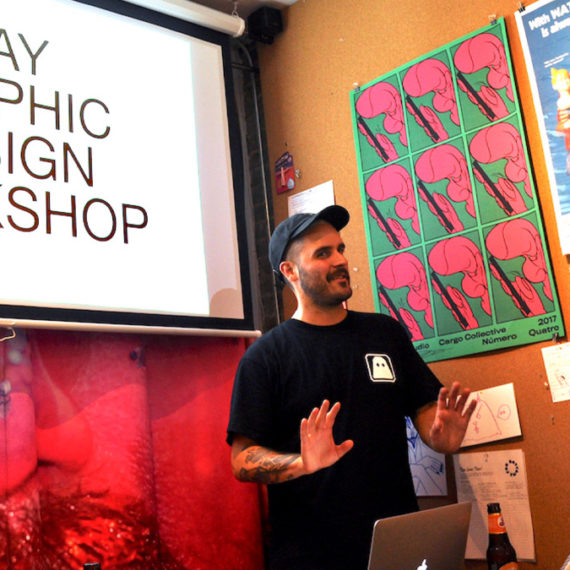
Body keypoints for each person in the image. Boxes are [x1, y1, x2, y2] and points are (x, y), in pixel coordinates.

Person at [226, 205, 476, 569]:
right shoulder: (265, 357)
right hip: (312, 554)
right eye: (323, 253)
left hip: (396, 544)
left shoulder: (384, 333)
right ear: (290, 270)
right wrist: (301, 463)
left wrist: (440, 439)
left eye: (340, 249)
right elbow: (241, 459)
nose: (339, 260)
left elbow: (423, 408)